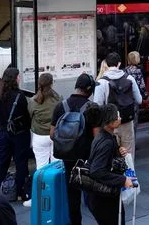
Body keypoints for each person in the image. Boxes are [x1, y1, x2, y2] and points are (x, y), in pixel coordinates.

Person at [51, 73, 100, 225]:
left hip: (68, 157)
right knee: (92, 194)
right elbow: (97, 136)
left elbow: (52, 134)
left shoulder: (61, 105)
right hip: (87, 157)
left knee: (72, 196)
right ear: (89, 89)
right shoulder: (92, 107)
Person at [86, 104, 134, 225]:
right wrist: (122, 180)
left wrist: (118, 152)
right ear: (111, 122)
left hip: (101, 197)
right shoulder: (106, 142)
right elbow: (97, 171)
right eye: (117, 116)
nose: (120, 118)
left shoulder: (104, 136)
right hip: (103, 199)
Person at [0, 68, 31, 203]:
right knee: (21, 163)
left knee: (2, 163)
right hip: (19, 134)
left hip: (3, 133)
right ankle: (21, 192)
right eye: (18, 76)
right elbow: (26, 118)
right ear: (14, 78)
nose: (19, 78)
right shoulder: (19, 96)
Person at [94, 52, 142, 156]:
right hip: (127, 122)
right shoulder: (129, 79)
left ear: (106, 63)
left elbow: (96, 106)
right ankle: (129, 171)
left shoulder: (101, 83)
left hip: (110, 124)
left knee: (112, 155)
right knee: (128, 154)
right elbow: (139, 100)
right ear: (119, 64)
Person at [28, 73, 62, 170]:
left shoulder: (33, 101)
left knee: (41, 167)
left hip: (39, 136)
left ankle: (42, 185)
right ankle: (55, 185)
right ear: (51, 84)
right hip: (55, 135)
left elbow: (30, 116)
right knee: (56, 166)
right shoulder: (58, 99)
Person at [125, 51, 149, 143]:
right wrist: (146, 96)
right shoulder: (137, 71)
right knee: (134, 121)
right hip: (134, 98)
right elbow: (141, 85)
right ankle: (132, 142)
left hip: (127, 98)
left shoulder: (125, 69)